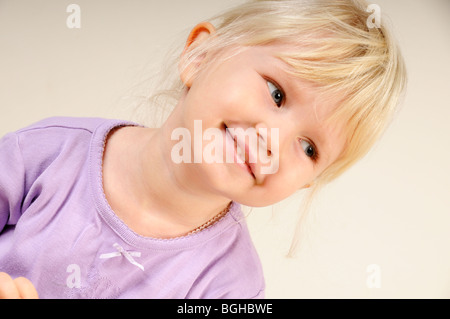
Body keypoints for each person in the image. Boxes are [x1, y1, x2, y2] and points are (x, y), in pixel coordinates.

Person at [0, 0, 406, 298]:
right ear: (200, 56)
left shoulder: (231, 286)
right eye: (277, 93)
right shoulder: (45, 152)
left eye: (309, 148)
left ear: (308, 183)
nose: (274, 142)